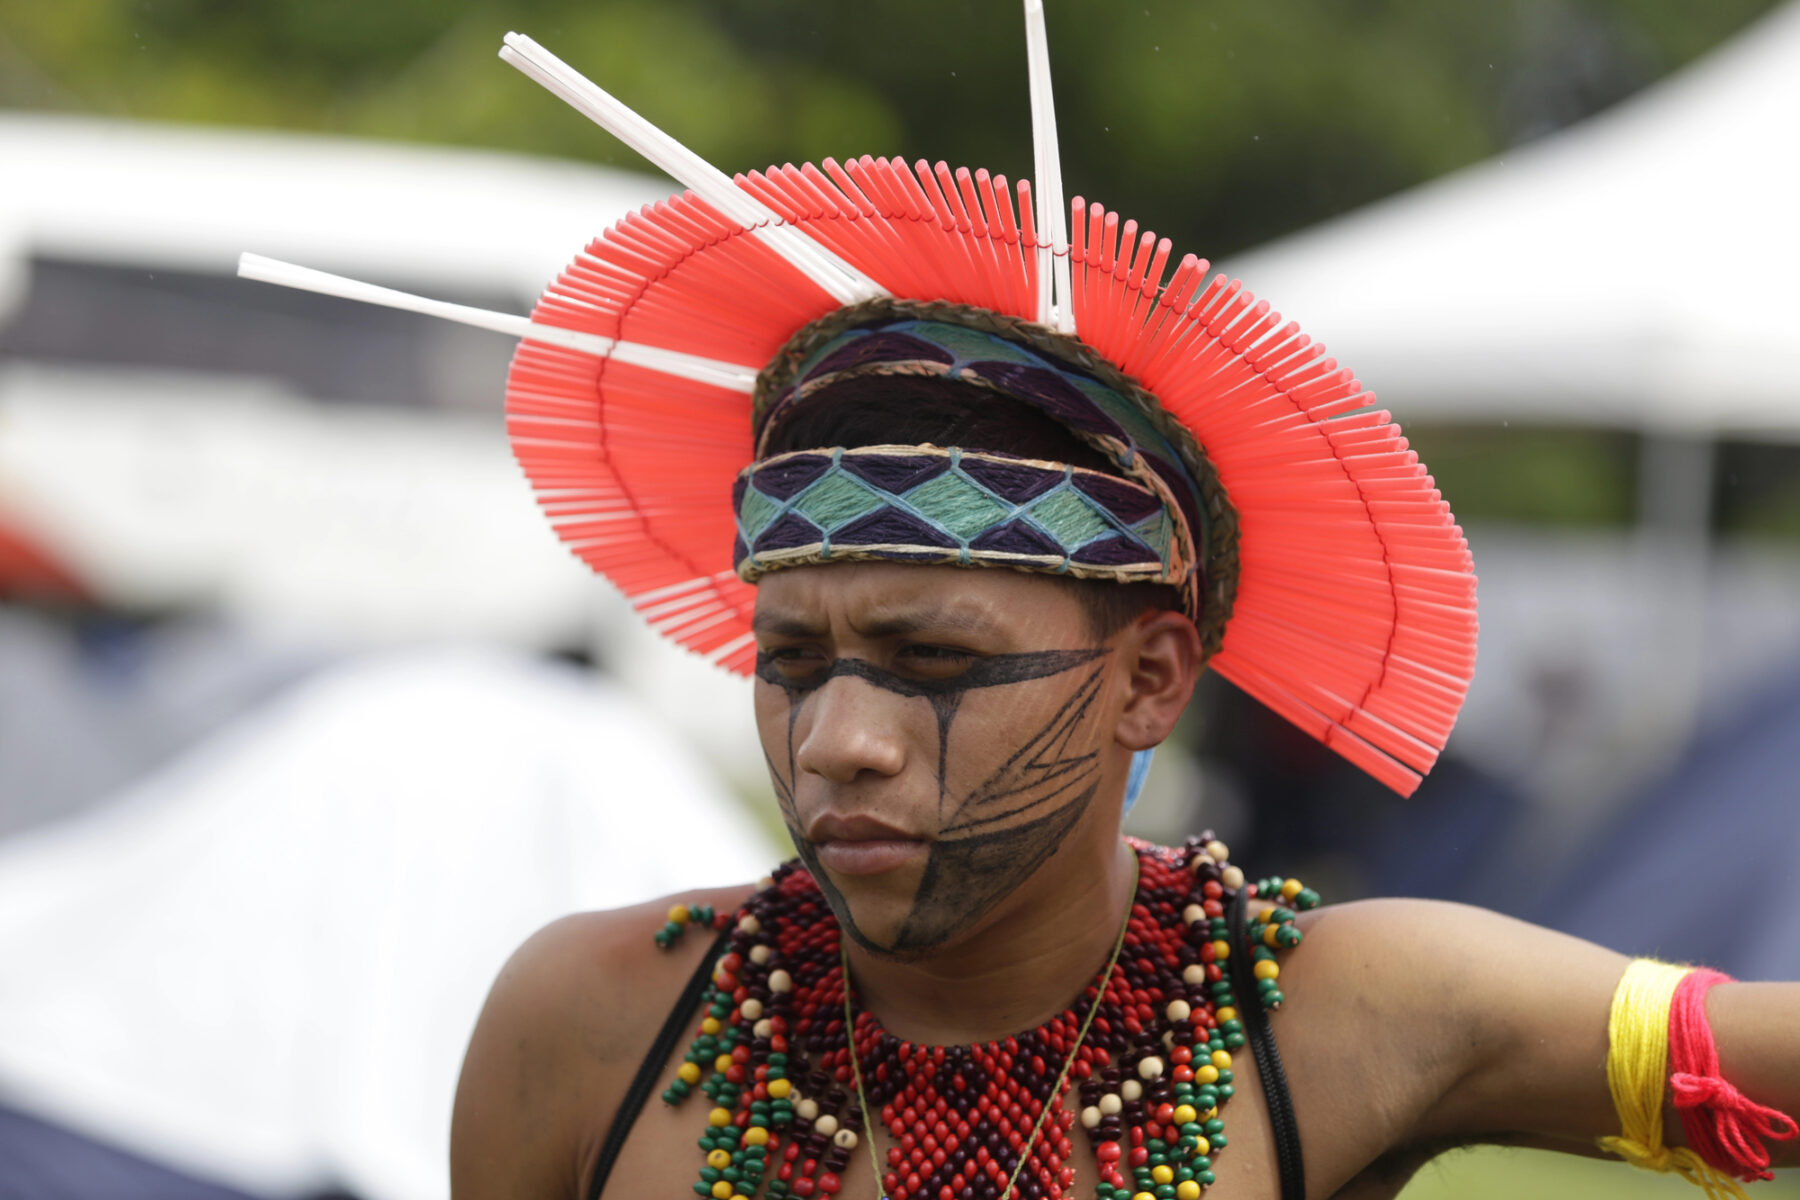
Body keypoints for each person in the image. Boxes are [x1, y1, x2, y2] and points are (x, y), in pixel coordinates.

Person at [236, 16, 1800, 1200]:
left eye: (932, 662)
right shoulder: (587, 1026)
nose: (838, 742)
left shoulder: (1337, 1014)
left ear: (1152, 677)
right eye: (791, 663)